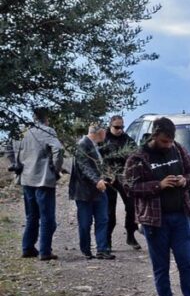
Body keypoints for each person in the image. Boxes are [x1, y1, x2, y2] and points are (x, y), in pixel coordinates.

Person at [124, 117, 190, 296]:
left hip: (181, 216)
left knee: (186, 263)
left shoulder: (178, 150)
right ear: (154, 136)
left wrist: (184, 181)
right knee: (161, 267)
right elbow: (130, 187)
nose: (168, 145)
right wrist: (158, 185)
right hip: (155, 221)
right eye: (164, 142)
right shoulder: (138, 157)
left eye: (170, 141)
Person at [6, 108, 64, 261]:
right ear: (46, 118)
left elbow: (6, 148)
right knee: (47, 218)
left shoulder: (21, 132)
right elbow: (58, 149)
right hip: (44, 179)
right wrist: (55, 169)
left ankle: (28, 248)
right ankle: (45, 251)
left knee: (31, 216)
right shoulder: (47, 130)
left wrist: (16, 163)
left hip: (26, 179)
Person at [69, 124, 114, 260]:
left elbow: (98, 165)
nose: (106, 134)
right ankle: (86, 249)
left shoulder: (95, 145)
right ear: (99, 132)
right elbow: (84, 167)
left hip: (98, 191)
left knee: (103, 220)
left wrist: (107, 176)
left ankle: (102, 249)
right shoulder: (83, 145)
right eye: (104, 132)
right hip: (84, 192)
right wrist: (97, 180)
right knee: (85, 222)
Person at [100, 115, 140, 249]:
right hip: (108, 178)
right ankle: (107, 240)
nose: (120, 130)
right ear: (110, 126)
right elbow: (97, 157)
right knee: (109, 211)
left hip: (124, 177)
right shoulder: (103, 139)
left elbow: (136, 154)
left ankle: (130, 234)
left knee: (131, 206)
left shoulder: (126, 139)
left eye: (122, 127)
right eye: (117, 127)